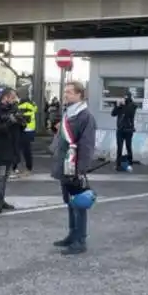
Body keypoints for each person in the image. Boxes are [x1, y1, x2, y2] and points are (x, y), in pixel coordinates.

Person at [51, 81, 97, 255]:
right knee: (70, 203)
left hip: (74, 166)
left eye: (70, 92)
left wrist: (80, 170)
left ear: (79, 95)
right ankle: (72, 235)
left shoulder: (85, 116)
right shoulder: (68, 113)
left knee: (79, 204)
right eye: (65, 92)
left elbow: (86, 146)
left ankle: (80, 240)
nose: (66, 95)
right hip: (64, 164)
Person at [0, 88, 25, 214]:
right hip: (1, 147)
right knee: (0, 175)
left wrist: (20, 120)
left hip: (13, 147)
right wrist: (10, 122)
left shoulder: (14, 109)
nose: (15, 100)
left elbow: (22, 126)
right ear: (6, 97)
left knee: (6, 175)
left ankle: (1, 199)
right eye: (13, 97)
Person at [111, 93, 137, 171]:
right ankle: (118, 165)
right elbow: (113, 114)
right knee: (119, 147)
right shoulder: (121, 106)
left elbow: (129, 113)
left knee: (128, 146)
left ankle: (129, 163)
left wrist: (124, 105)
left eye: (126, 98)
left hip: (129, 130)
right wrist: (117, 106)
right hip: (120, 130)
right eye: (124, 98)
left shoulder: (133, 105)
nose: (124, 99)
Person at [15, 92, 38, 176]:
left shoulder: (21, 106)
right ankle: (28, 168)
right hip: (30, 131)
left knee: (17, 149)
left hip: (22, 130)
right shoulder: (33, 106)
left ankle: (15, 168)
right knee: (27, 151)